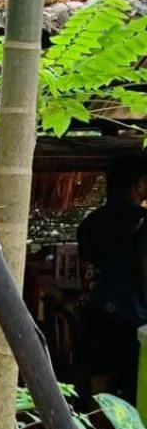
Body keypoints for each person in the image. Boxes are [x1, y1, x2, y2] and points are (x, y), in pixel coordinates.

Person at [77, 154, 147, 397]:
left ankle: (96, 428)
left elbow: (88, 265)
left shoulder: (91, 222)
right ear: (138, 184)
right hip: (134, 316)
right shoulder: (143, 222)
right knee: (133, 385)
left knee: (101, 378)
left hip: (99, 310)